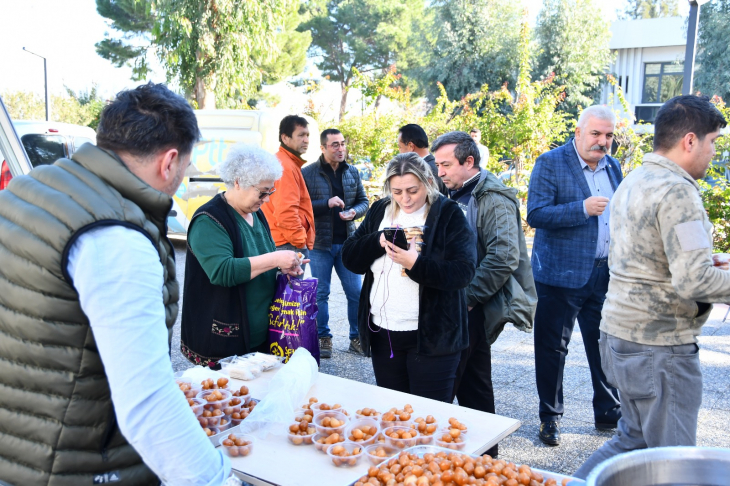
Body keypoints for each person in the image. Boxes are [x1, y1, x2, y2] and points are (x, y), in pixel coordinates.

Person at [0, 83, 240, 485]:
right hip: (72, 464)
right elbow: (147, 401)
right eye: (185, 169)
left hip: (20, 443)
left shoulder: (34, 186)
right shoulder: (116, 238)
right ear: (169, 162)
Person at [574, 95, 730, 478]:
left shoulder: (636, 178)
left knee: (633, 440)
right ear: (689, 141)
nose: (713, 151)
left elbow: (651, 257)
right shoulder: (677, 190)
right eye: (713, 142)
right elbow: (695, 280)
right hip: (659, 347)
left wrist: (704, 261)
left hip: (621, 336)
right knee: (673, 462)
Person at [433, 131, 537, 457]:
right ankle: (486, 464)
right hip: (459, 304)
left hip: (469, 308)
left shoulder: (492, 198)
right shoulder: (455, 192)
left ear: (469, 161)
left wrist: (466, 300)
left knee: (447, 386)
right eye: (437, 165)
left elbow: (504, 256)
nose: (440, 172)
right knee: (474, 387)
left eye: (446, 164)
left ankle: (464, 461)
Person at [342, 153, 476, 402]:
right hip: (384, 334)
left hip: (432, 337)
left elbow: (463, 272)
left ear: (428, 181)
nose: (405, 199)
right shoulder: (380, 210)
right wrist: (377, 240)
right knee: (394, 419)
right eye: (397, 191)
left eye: (413, 190)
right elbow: (350, 258)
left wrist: (414, 263)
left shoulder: (447, 213)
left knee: (428, 420)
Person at [527, 105, 623, 446]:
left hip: (604, 273)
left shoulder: (613, 166)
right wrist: (581, 208)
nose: (603, 141)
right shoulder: (550, 162)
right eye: (596, 134)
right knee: (553, 348)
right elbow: (536, 214)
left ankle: (608, 411)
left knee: (606, 345)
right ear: (579, 132)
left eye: (609, 135)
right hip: (560, 275)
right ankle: (550, 417)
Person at [181, 144, 306, 368]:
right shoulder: (208, 220)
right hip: (222, 341)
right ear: (238, 182)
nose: (267, 199)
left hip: (257, 336)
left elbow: (256, 257)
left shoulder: (255, 214)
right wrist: (275, 259)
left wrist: (281, 266)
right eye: (263, 192)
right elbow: (223, 271)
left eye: (271, 192)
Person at [302, 128, 369, 358]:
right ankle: (323, 338)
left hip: (348, 244)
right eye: (335, 145)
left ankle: (356, 337)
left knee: (356, 293)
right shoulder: (308, 173)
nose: (341, 149)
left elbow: (364, 202)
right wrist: (326, 203)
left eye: (342, 144)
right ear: (323, 148)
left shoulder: (353, 172)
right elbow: (302, 206)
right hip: (319, 244)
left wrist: (353, 212)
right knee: (321, 293)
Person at [261, 115, 315, 270]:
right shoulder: (285, 166)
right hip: (287, 245)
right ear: (285, 138)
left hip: (283, 242)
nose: (306, 140)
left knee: (283, 294)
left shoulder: (286, 162)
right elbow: (286, 212)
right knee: (287, 294)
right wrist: (300, 242)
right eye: (301, 135)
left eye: (307, 135)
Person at [398, 123, 448, 195]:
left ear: (410, 146)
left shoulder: (427, 170)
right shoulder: (433, 165)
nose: (399, 151)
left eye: (400, 147)